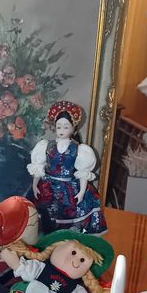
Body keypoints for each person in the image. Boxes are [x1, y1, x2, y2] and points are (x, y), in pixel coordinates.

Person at [28, 100, 107, 234]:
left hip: (69, 188)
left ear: (73, 128)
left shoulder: (79, 149)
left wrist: (81, 192)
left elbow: (83, 173)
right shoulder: (45, 145)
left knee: (70, 214)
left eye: (66, 127)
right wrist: (35, 185)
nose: (62, 130)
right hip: (48, 187)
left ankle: (68, 238)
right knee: (46, 215)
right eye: (59, 127)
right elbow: (38, 168)